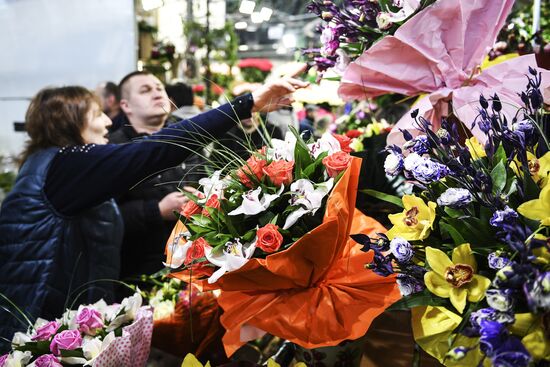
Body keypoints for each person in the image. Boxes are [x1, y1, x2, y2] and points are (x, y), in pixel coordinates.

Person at [0, 69, 308, 343]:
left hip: (50, 314)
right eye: (97, 114)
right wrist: (246, 102)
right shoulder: (68, 164)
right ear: (69, 121)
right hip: (39, 316)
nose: (108, 121)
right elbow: (159, 150)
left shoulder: (51, 164)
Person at [108, 72, 204, 281]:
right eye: (145, 90)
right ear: (126, 106)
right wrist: (157, 211)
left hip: (194, 265)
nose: (156, 93)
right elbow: (105, 216)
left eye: (159, 88)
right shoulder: (113, 148)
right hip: (136, 272)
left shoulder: (189, 136)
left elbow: (207, 179)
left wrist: (203, 198)